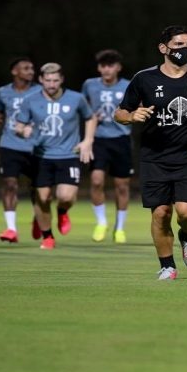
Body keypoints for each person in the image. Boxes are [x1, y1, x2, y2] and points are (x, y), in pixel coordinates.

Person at [114, 25, 187, 280]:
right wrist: (131, 116)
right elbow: (119, 112)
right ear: (163, 48)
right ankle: (167, 266)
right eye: (179, 45)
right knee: (161, 213)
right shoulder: (144, 79)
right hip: (154, 157)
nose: (185, 49)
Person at [15, 62, 96, 249]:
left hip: (69, 155)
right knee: (42, 198)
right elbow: (19, 125)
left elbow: (90, 117)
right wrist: (23, 130)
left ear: (62, 80)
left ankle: (62, 211)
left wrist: (88, 140)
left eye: (55, 80)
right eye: (48, 80)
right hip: (41, 156)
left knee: (66, 197)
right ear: (41, 80)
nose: (51, 84)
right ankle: (48, 237)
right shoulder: (30, 100)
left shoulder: (76, 98)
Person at [82, 49, 132, 244]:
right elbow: (83, 108)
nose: (107, 69)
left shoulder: (128, 86)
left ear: (118, 67)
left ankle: (120, 228)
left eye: (110, 65)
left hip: (121, 139)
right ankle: (101, 222)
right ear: (98, 68)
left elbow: (137, 109)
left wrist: (128, 116)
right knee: (96, 181)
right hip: (98, 140)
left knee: (122, 185)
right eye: (103, 66)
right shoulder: (90, 85)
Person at [0, 57, 41, 243]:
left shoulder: (40, 91)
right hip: (10, 144)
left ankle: (39, 217)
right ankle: (11, 229)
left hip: (36, 146)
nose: (31, 71)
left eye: (32, 68)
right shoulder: (2, 92)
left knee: (38, 188)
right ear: (14, 71)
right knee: (10, 184)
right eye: (26, 68)